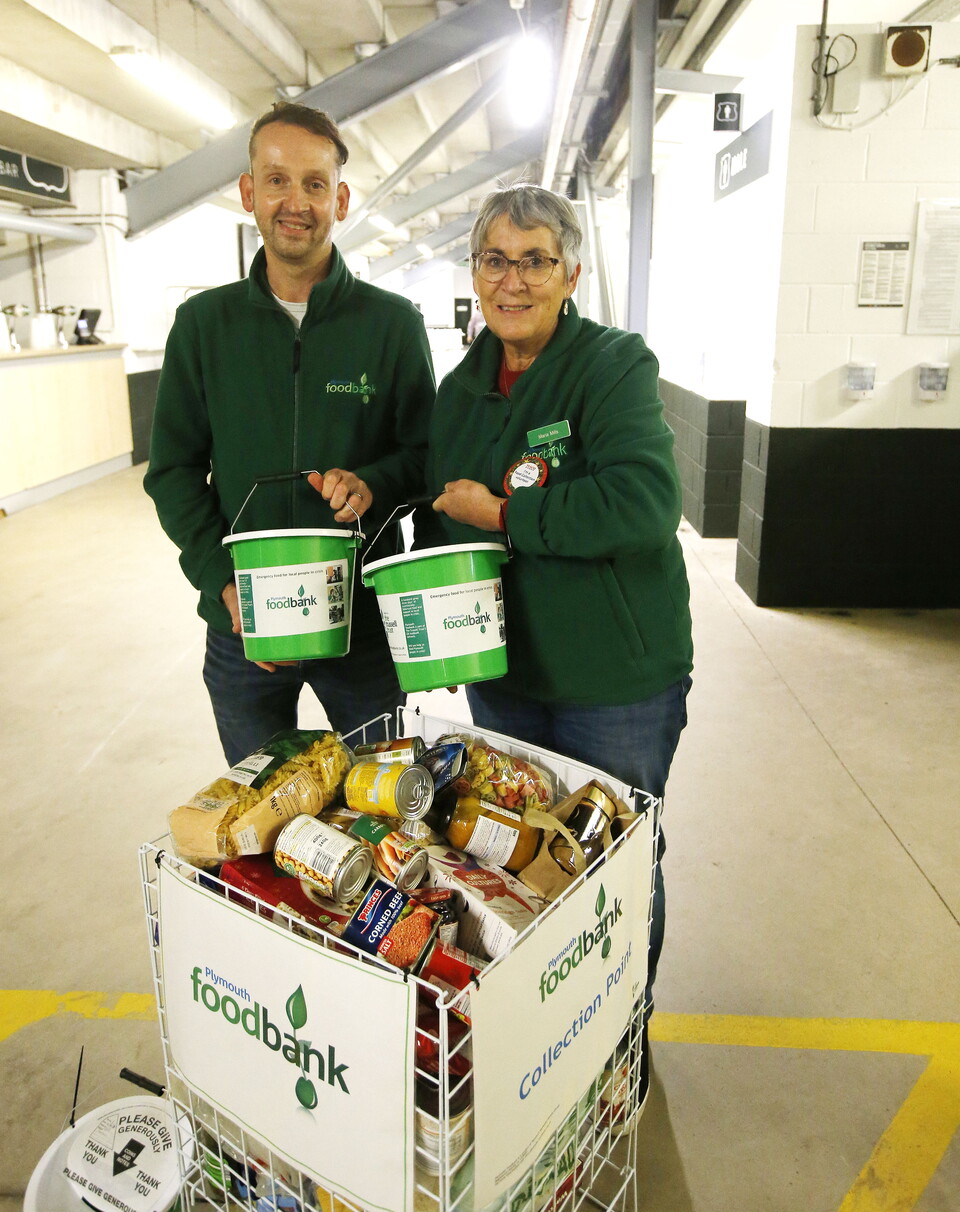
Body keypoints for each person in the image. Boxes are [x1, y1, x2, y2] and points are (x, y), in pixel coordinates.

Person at [426, 183, 693, 1111]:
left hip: (615, 681)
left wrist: (503, 513)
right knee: (525, 861)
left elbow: (645, 504)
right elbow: (431, 505)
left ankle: (622, 1040)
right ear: (474, 275)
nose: (514, 279)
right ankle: (553, 1030)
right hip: (507, 679)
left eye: (535, 259)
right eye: (496, 259)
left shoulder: (611, 365)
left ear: (570, 273)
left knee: (616, 864)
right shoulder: (460, 389)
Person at [144, 104, 435, 765]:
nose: (295, 202)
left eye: (313, 183)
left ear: (341, 197)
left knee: (384, 804)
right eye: (276, 180)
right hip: (243, 634)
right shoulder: (203, 327)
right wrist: (223, 583)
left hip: (362, 630)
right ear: (249, 193)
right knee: (262, 820)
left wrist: (373, 483)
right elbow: (173, 473)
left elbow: (426, 457)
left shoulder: (392, 325)